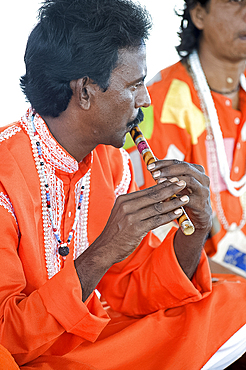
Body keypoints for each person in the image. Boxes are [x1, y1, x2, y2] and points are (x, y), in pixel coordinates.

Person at [1, 0, 246, 369]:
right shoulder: (5, 176)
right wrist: (102, 251)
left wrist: (193, 230)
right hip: (29, 356)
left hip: (97, 342)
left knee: (236, 303)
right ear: (84, 91)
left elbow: (132, 291)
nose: (145, 99)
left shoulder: (111, 162)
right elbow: (8, 337)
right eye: (135, 85)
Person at [125, 0, 246, 277]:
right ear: (199, 14)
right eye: (235, 1)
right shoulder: (158, 100)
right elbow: (157, 249)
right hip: (188, 285)